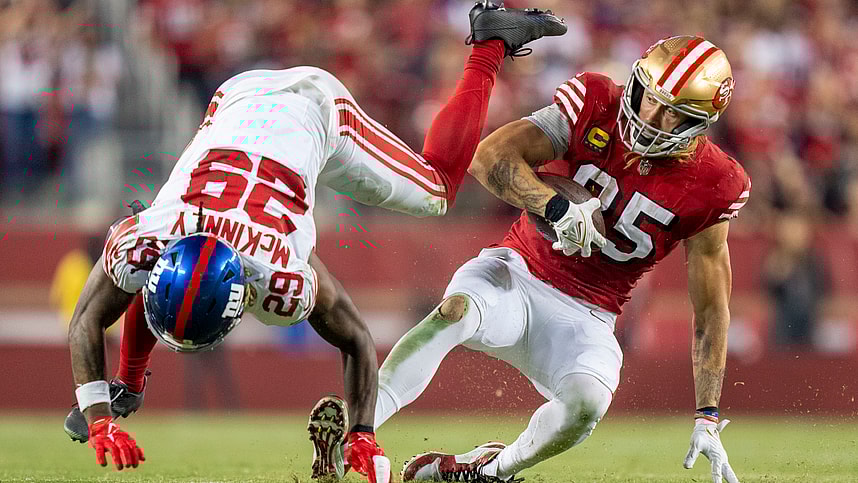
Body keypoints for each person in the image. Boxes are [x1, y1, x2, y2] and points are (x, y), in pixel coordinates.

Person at [62, 2, 566, 481]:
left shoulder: (274, 269)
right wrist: (102, 413)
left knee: (436, 189)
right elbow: (102, 308)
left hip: (313, 106)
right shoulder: (154, 236)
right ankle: (130, 381)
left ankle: (489, 43)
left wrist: (363, 433)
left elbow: (354, 337)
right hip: (236, 99)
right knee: (143, 277)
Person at [361, 35, 749, 483]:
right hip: (516, 271)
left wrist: (706, 413)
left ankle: (488, 471)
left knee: (588, 403)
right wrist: (552, 205)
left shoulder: (717, 183)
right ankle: (360, 428)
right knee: (455, 312)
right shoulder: (596, 101)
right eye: (648, 98)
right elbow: (488, 157)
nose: (651, 117)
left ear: (702, 123)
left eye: (674, 112)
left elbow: (711, 309)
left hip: (590, 313)